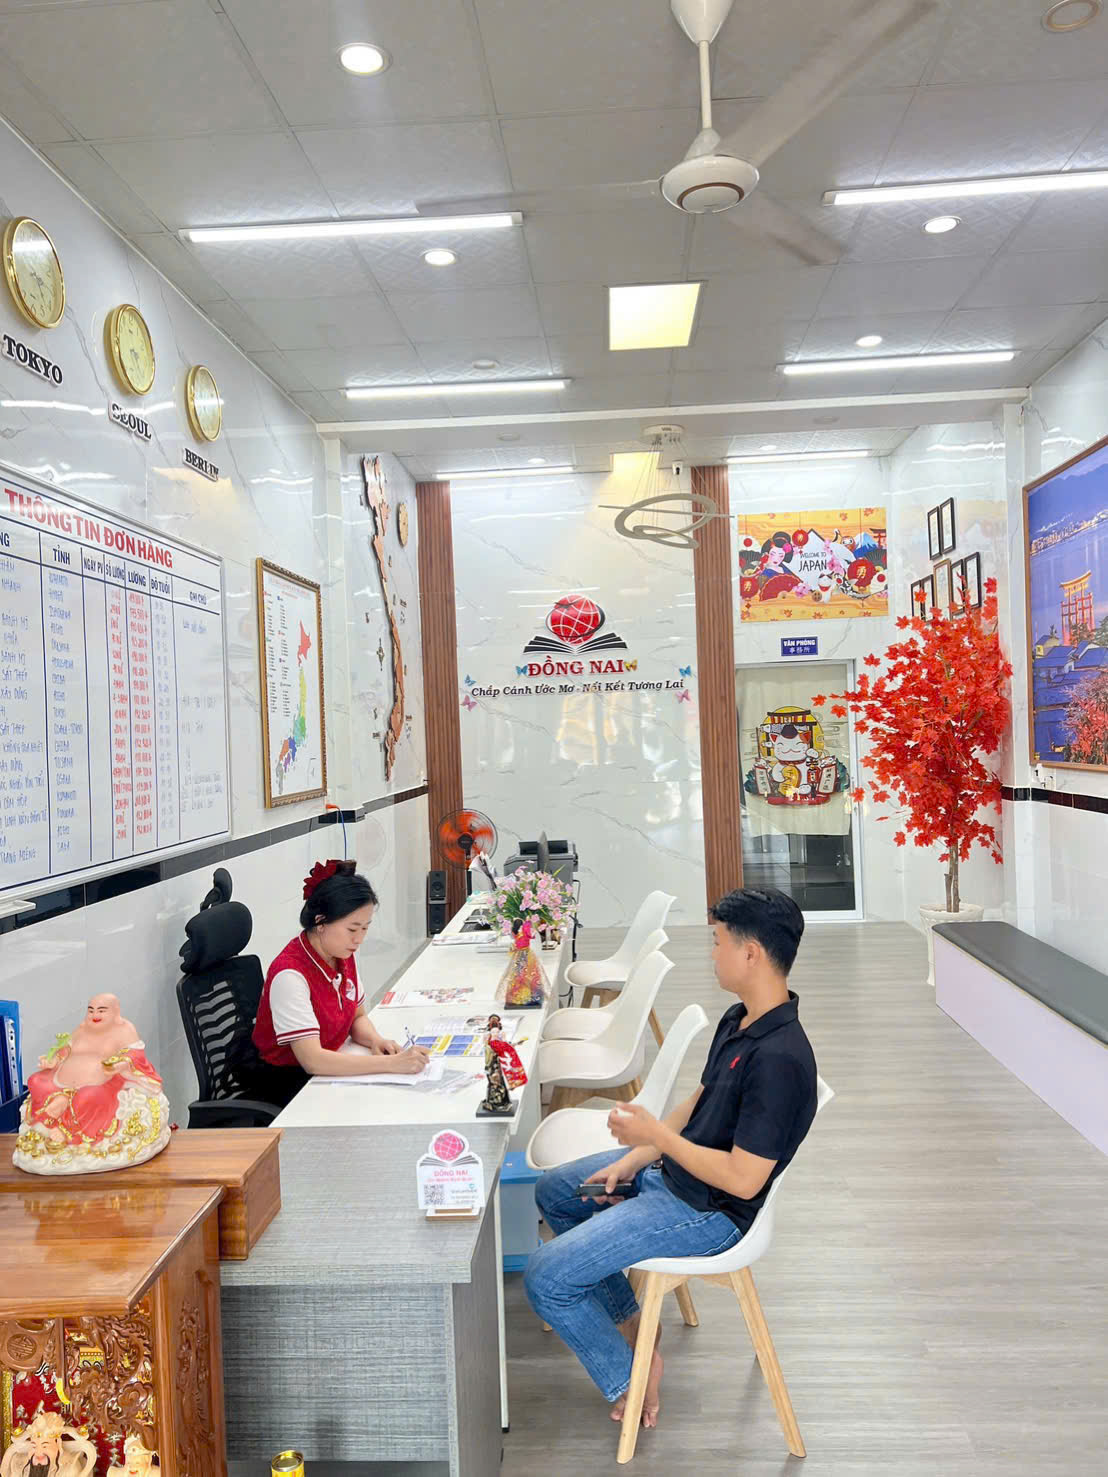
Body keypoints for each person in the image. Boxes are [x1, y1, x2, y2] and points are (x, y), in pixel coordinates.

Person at [524, 887, 817, 1432]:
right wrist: (637, 1158)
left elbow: (743, 1180)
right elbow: (698, 1103)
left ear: (751, 953)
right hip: (668, 1179)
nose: (713, 953)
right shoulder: (740, 1018)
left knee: (545, 1276)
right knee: (556, 1192)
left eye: (718, 942)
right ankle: (634, 1324)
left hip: (708, 1213)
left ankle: (631, 1376)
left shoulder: (781, 1060)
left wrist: (656, 1134)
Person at [251, 859, 430, 1106]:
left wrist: (376, 1041)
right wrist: (390, 1063)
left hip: (329, 1067)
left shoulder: (342, 955)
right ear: (321, 923)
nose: (359, 939)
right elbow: (313, 1061)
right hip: (289, 1086)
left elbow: (356, 1017)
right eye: (352, 929)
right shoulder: (290, 974)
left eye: (365, 928)